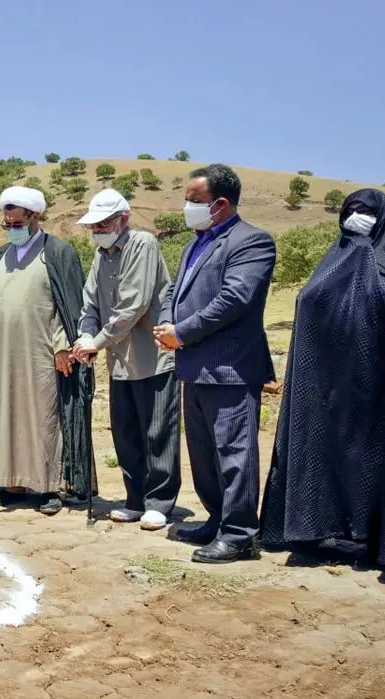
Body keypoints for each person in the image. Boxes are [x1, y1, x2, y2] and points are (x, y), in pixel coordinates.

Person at [262, 189, 385, 583]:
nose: (357, 217)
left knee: (381, 461)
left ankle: (383, 543)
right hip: (326, 387)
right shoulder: (333, 259)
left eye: (365, 211)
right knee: (329, 459)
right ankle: (320, 533)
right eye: (351, 210)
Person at [155, 164, 276, 564]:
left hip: (230, 367)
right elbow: (175, 289)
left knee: (234, 450)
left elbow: (233, 300)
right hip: (195, 367)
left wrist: (182, 332)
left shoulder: (253, 242)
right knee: (203, 451)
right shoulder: (196, 243)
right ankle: (217, 518)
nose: (187, 207)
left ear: (220, 204)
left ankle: (239, 533)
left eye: (194, 201)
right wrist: (166, 322)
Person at [0, 186, 95, 515]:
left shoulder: (56, 252)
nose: (11, 229)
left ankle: (46, 487)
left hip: (43, 351)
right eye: (7, 224)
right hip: (4, 351)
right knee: (5, 416)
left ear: (34, 217)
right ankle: (10, 484)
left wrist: (62, 346)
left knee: (43, 418)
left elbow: (68, 306)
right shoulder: (1, 256)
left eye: (16, 223)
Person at [72, 189, 180, 531]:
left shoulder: (143, 245)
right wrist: (85, 335)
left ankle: (159, 502)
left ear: (124, 219)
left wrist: (97, 342)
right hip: (120, 362)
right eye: (94, 225)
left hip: (152, 355)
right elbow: (89, 302)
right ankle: (135, 500)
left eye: (104, 224)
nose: (98, 231)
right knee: (126, 432)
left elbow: (133, 305)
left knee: (157, 431)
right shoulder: (101, 255)